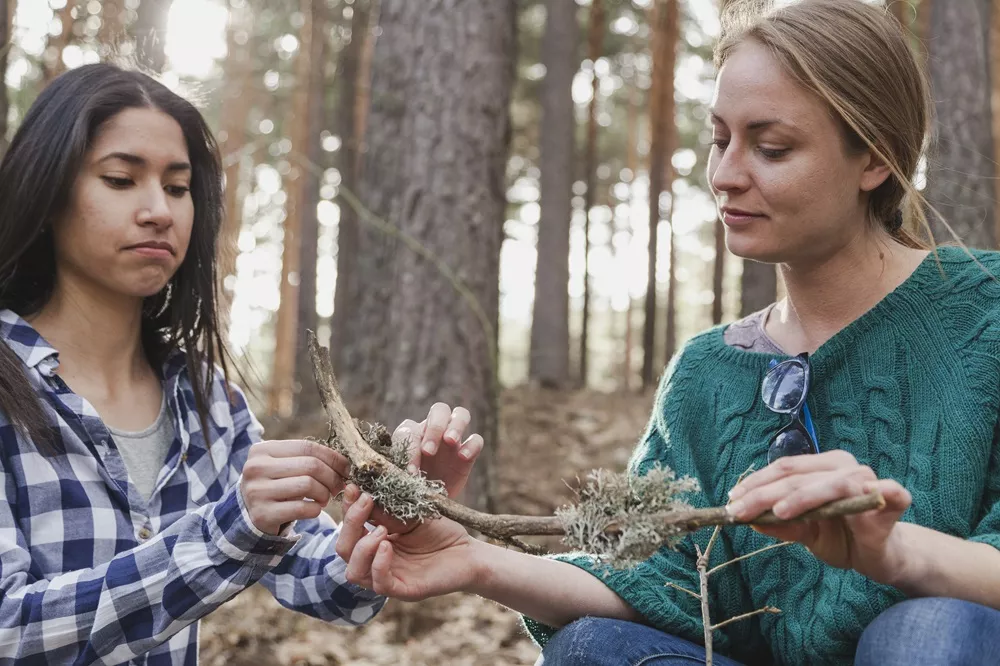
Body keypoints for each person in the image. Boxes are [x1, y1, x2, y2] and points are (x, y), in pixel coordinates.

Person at [334, 1, 1000, 664]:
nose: (725, 175)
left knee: (926, 633)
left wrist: (892, 550)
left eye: (771, 147)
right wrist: (473, 559)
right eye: (719, 139)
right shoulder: (707, 373)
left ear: (875, 157)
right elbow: (658, 583)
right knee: (589, 647)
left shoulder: (985, 313)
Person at [0, 63, 482, 665]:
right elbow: (9, 628)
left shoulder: (208, 401)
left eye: (178, 188)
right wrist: (230, 531)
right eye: (121, 179)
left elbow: (320, 582)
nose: (159, 211)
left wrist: (393, 516)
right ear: (46, 193)